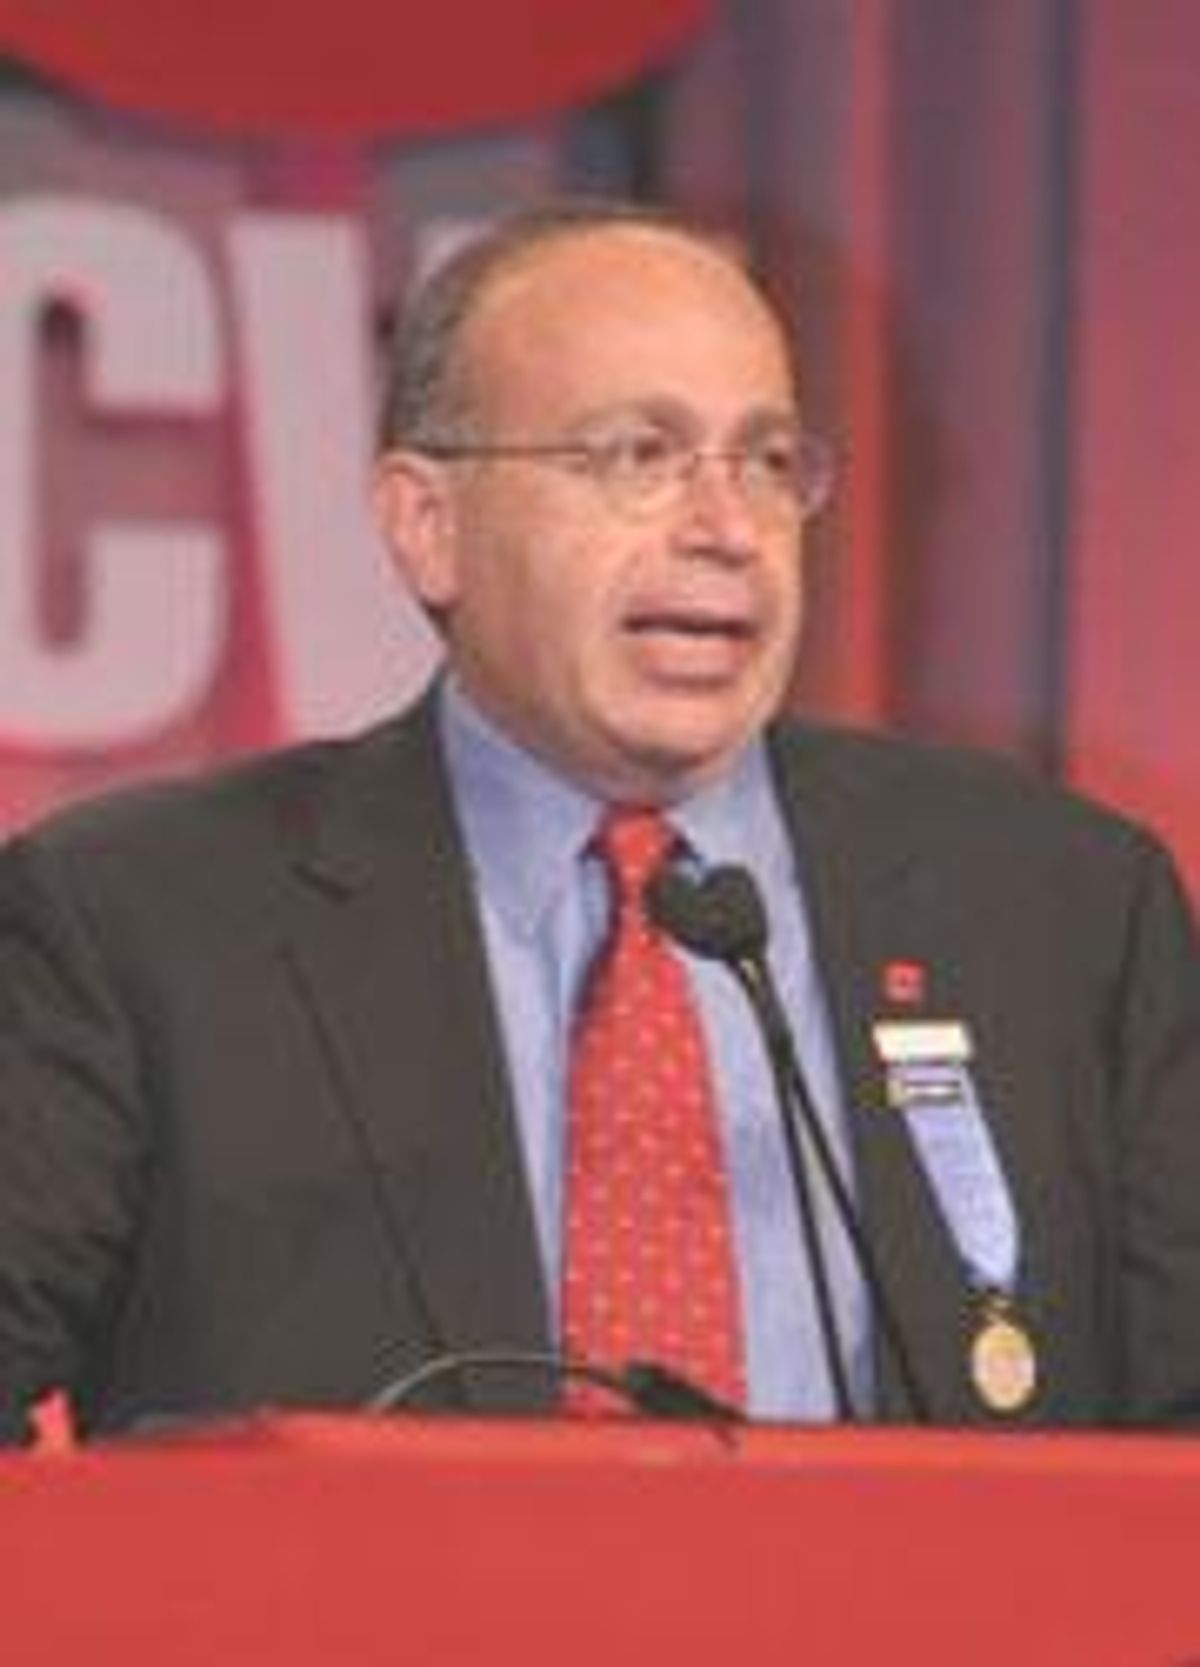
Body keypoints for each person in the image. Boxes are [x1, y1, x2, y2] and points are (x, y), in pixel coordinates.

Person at [0, 200, 1198, 1445]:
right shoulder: (137, 924)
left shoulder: (1062, 911)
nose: (727, 531)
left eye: (768, 462)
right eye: (637, 455)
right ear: (427, 524)